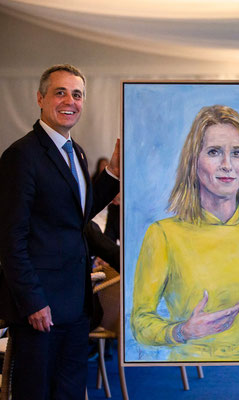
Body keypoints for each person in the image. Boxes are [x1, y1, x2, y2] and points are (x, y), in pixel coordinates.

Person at [130, 105, 239, 361]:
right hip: (186, 373)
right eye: (214, 152)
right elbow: (141, 322)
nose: (227, 165)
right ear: (193, 162)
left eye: (237, 153)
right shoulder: (162, 234)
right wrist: (182, 331)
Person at [0, 64, 120, 399]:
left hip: (77, 304)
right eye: (60, 92)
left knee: (69, 391)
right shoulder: (21, 156)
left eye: (77, 94)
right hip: (42, 309)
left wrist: (112, 172)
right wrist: (32, 301)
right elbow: (10, 239)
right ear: (40, 98)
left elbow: (76, 217)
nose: (70, 100)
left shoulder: (76, 152)